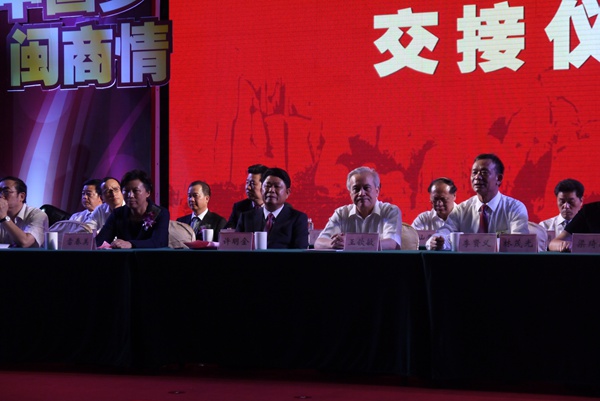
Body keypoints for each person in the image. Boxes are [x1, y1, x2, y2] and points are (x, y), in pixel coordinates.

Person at [427, 153, 529, 250]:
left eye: (484, 172)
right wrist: (437, 241)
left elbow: (519, 243)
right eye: (474, 172)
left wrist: (490, 244)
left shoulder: (515, 209)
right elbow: (445, 232)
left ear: (499, 178)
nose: (477, 177)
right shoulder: (461, 210)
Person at [314, 166, 402, 250]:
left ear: (377, 191)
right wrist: (334, 243)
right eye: (356, 189)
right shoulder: (341, 213)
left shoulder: (390, 211)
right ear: (350, 193)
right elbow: (318, 243)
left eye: (366, 188)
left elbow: (391, 243)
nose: (361, 193)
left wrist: (350, 243)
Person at [236, 167, 308, 249]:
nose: (271, 190)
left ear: (287, 193)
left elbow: (300, 251)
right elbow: (236, 248)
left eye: (277, 186)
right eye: (267, 186)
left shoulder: (297, 219)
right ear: (261, 190)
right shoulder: (246, 218)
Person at [95, 169, 170, 248]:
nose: (130, 195)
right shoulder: (118, 213)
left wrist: (131, 244)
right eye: (126, 191)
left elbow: (160, 242)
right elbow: (100, 241)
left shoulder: (160, 213)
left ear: (148, 192)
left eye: (136, 191)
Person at [0, 176, 48, 248]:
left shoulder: (37, 215)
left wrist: (4, 218)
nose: (1, 196)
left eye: (6, 191)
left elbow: (25, 242)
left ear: (21, 196)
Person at [226, 164, 269, 228]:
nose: (248, 187)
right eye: (247, 182)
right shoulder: (240, 207)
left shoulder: (275, 208)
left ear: (265, 186)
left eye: (252, 183)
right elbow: (228, 230)